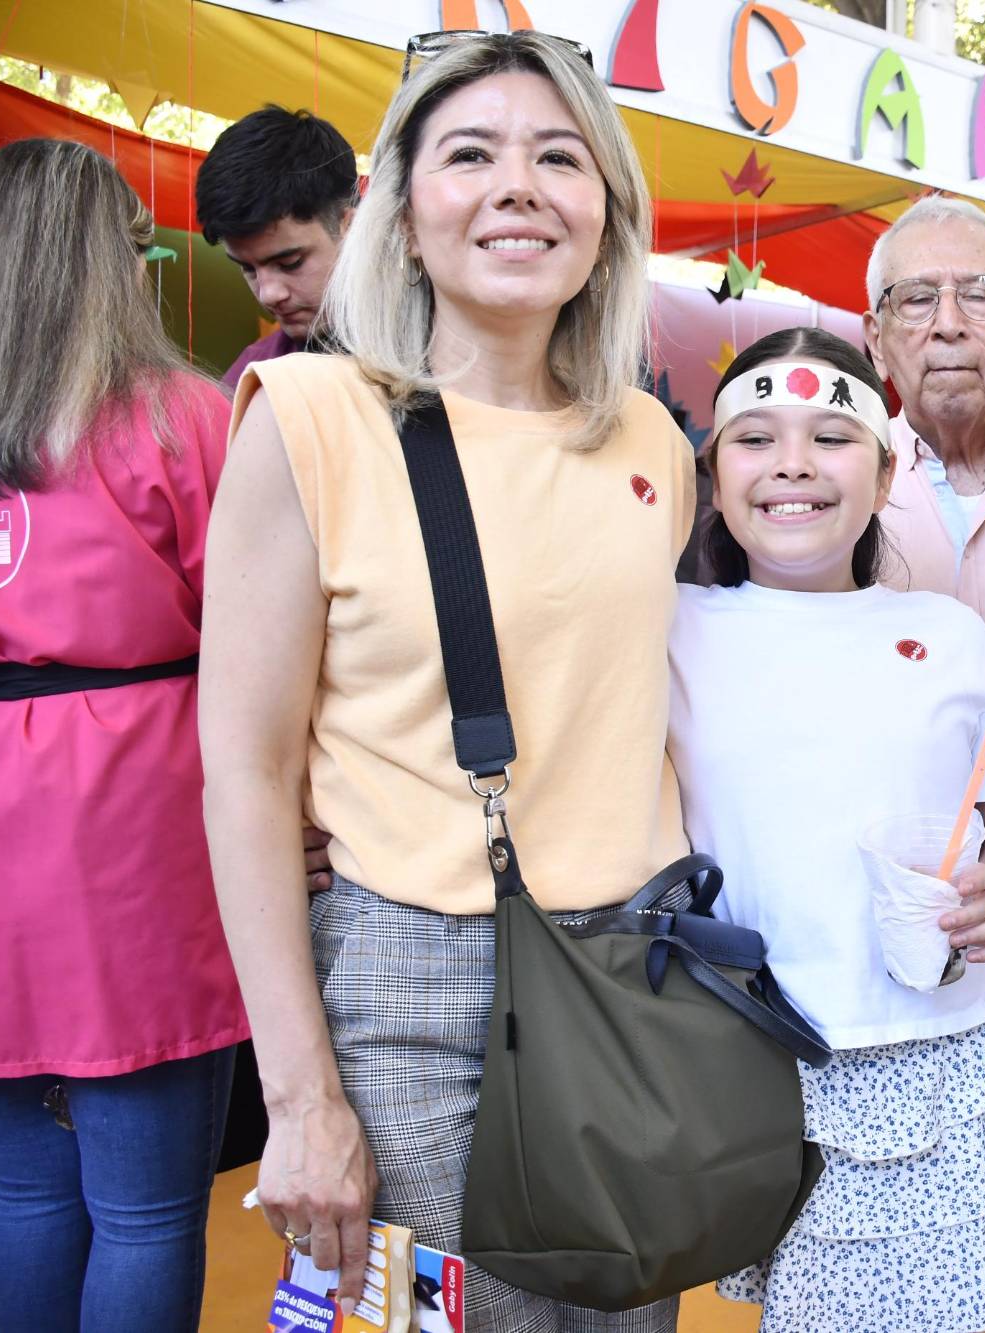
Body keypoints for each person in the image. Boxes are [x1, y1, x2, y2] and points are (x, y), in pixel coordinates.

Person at [199, 32, 691, 1325]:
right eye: (469, 154)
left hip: (635, 980)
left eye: (560, 156)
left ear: (607, 211)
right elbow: (243, 772)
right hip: (415, 1005)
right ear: (405, 216)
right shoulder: (308, 418)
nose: (518, 185)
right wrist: (301, 1098)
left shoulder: (654, 443)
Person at [668, 327, 985, 1331]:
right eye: (755, 437)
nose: (793, 463)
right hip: (756, 1051)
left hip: (932, 1049)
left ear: (886, 471)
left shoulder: (951, 636)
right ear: (712, 476)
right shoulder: (665, 630)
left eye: (830, 436)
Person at [0, 139, 245, 1333]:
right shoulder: (185, 418)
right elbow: (253, 632)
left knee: (18, 1187)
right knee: (145, 1208)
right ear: (116, 257)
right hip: (134, 813)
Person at [863, 196, 985, 619]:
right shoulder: (845, 481)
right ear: (876, 341)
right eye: (916, 299)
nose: (949, 326)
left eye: (979, 295)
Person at [196, 106, 359, 388]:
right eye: (248, 268)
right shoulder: (250, 378)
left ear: (351, 227)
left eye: (290, 263)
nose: (268, 294)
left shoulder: (444, 343)